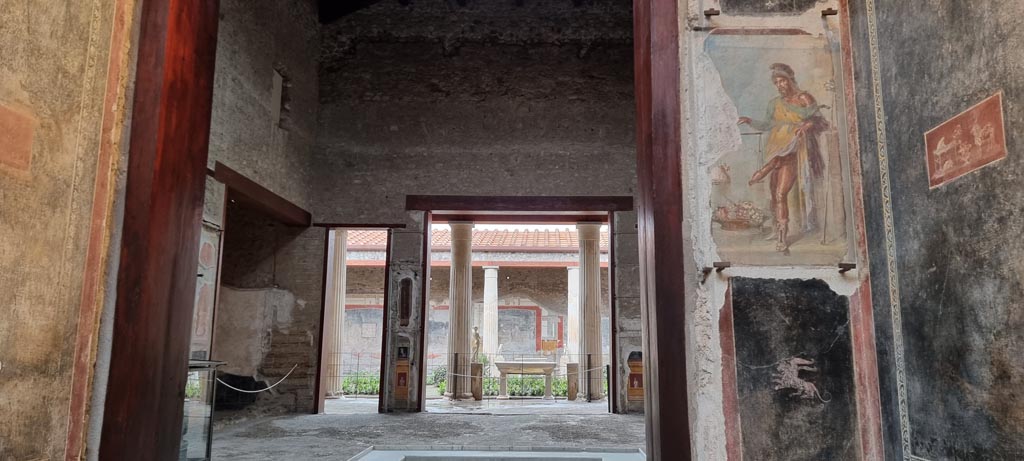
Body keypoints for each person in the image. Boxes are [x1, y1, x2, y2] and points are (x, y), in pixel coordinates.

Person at [738, 63, 827, 253]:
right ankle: (777, 229)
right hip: (776, 148)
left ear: (790, 80)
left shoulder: (804, 97)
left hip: (796, 149)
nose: (779, 85)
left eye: (782, 81)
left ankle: (782, 240)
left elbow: (821, 121)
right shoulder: (774, 103)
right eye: (776, 82)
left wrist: (808, 125)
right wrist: (749, 121)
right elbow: (767, 125)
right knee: (774, 194)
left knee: (780, 194)